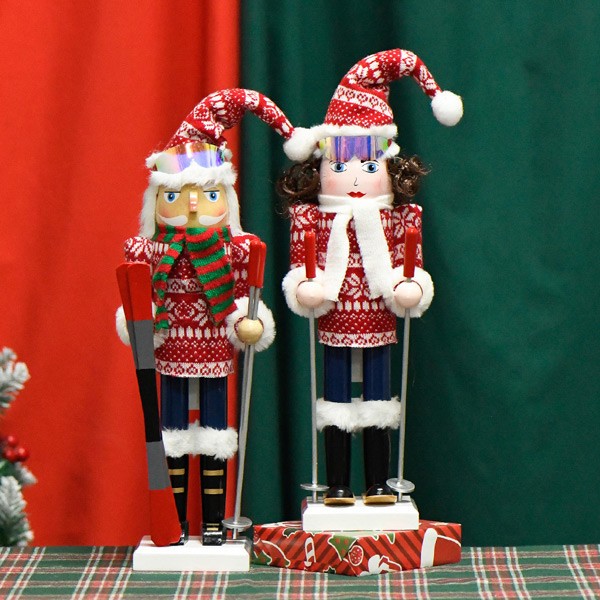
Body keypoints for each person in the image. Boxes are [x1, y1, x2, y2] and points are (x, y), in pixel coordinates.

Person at [279, 49, 462, 506]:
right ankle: (338, 483)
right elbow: (300, 266)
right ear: (320, 169)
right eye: (340, 166)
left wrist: (412, 287)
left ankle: (379, 482)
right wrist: (304, 287)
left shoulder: (400, 217)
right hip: (335, 318)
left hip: (380, 319)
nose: (356, 178)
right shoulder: (312, 219)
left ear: (389, 168)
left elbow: (410, 263)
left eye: (369, 166)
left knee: (380, 398)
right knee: (336, 399)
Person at [117, 89, 293, 544]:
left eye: (208, 194)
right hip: (172, 350)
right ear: (158, 199)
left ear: (225, 199)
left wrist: (251, 324)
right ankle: (174, 522)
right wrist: (138, 321)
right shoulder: (149, 252)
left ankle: (214, 522)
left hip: (216, 350)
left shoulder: (236, 251)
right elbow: (138, 298)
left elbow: (244, 299)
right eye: (178, 196)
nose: (193, 206)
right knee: (173, 436)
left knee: (216, 435)